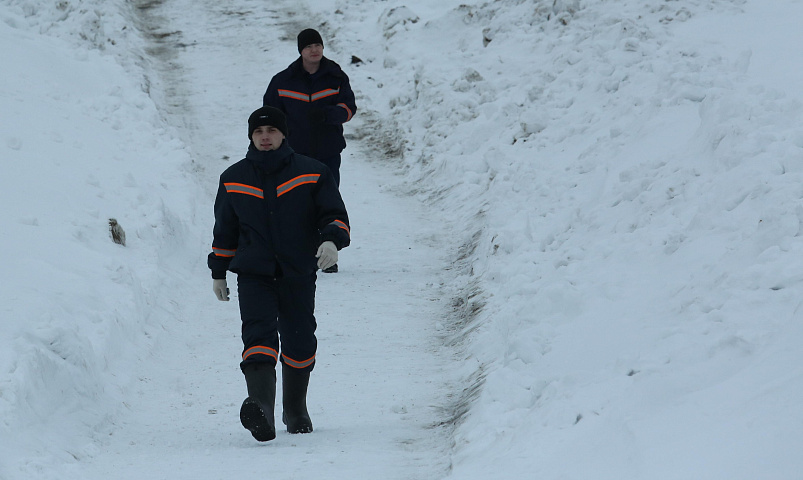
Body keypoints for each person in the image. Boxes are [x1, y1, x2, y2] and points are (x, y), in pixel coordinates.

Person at [208, 106, 350, 442]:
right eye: (258, 132)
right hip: (254, 273)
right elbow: (225, 231)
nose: (265, 137)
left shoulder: (312, 172)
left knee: (299, 338)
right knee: (258, 336)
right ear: (251, 137)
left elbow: (335, 214)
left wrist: (331, 239)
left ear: (283, 134)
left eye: (271, 131)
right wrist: (218, 271)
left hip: (297, 270)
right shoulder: (233, 177)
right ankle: (261, 409)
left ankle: (295, 407)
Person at [263, 28, 356, 274]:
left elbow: (349, 108)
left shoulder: (335, 76)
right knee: (297, 203)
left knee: (328, 202)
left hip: (327, 152)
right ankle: (301, 252)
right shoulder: (283, 81)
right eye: (309, 47)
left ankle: (330, 254)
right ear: (301, 51)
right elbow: (270, 115)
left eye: (318, 45)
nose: (314, 50)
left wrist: (328, 114)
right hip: (296, 154)